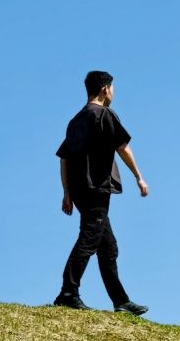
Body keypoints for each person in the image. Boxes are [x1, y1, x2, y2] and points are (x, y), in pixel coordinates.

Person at [54, 70, 149, 314]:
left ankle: (121, 301)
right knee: (89, 238)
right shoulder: (103, 114)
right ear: (106, 89)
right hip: (96, 188)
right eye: (113, 88)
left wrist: (66, 193)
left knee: (108, 246)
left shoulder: (75, 120)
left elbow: (63, 158)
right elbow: (123, 148)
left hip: (79, 190)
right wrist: (139, 177)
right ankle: (68, 292)